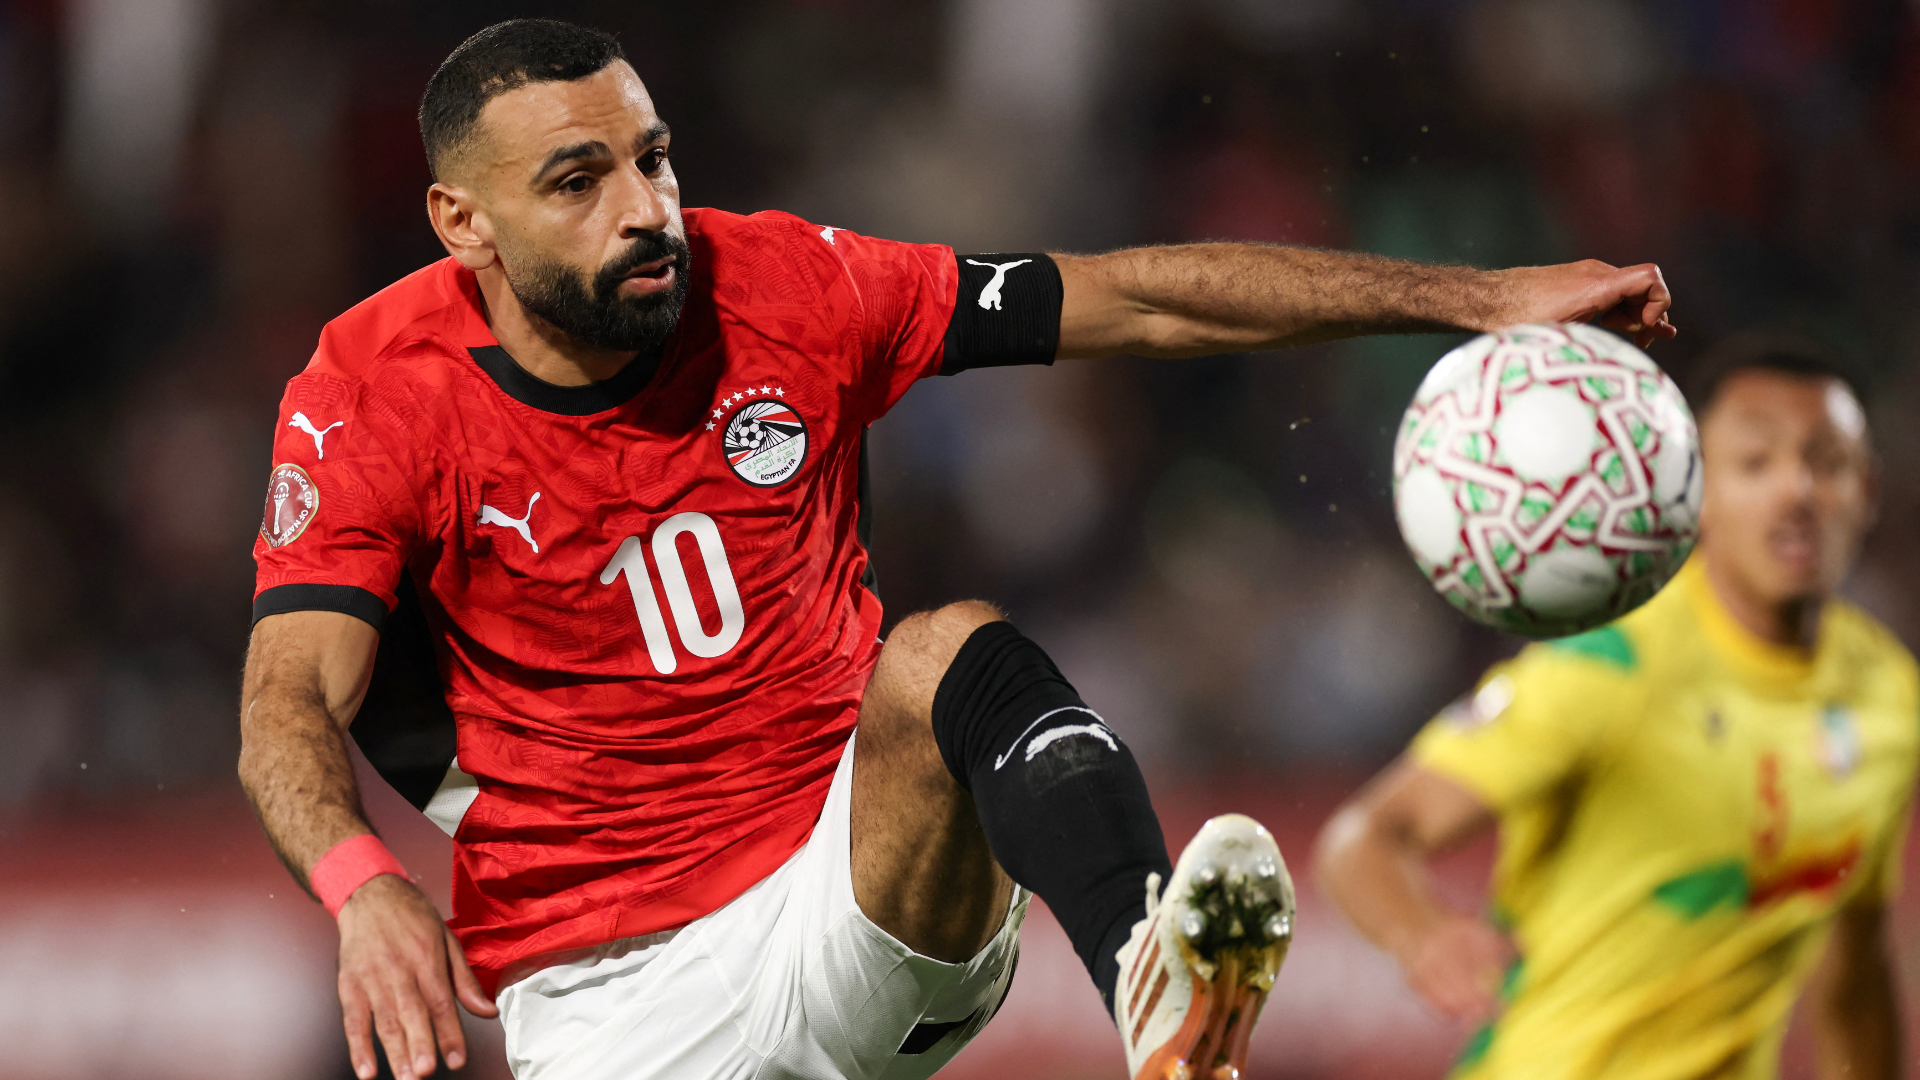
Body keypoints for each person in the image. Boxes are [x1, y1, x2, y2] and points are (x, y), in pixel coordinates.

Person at [236, 19, 1677, 1080]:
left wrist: (1481, 297)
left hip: (855, 889)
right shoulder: (372, 392)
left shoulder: (786, 286)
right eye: (576, 181)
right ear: (459, 222)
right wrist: (362, 885)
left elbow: (1138, 303)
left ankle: (1153, 989)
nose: (642, 209)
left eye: (653, 158)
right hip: (612, 1001)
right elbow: (287, 700)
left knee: (944, 655)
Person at [1314, 336, 1911, 1080]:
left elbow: (1858, 978)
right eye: (1756, 463)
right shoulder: (1607, 669)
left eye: (1827, 462)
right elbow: (1362, 837)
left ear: (1870, 489)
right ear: (1696, 491)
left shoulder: (1890, 698)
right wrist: (1422, 934)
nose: (1796, 489)